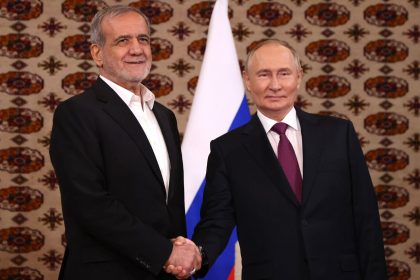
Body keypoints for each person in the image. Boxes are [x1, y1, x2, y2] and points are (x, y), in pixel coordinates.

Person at [191, 39, 387, 279]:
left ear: (299, 77)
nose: (275, 85)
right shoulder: (227, 150)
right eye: (264, 74)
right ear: (248, 80)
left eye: (284, 73)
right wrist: (196, 255)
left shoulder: (338, 134)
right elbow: (217, 221)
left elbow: (366, 219)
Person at [49, 5, 200, 280]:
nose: (137, 49)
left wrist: (179, 254)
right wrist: (164, 253)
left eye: (143, 39)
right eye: (122, 40)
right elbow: (90, 205)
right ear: (97, 53)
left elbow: (168, 207)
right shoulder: (77, 113)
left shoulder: (164, 116)